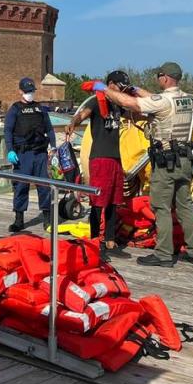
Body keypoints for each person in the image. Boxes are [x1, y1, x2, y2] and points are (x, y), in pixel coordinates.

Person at [103, 62, 193, 267]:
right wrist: (137, 90)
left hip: (166, 162)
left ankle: (163, 254)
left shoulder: (163, 101)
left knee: (161, 207)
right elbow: (156, 100)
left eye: (159, 76)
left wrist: (105, 90)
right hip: (185, 160)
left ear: (164, 78)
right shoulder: (186, 100)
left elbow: (133, 105)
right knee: (184, 206)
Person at [66, 70, 131, 259]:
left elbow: (136, 112)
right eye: (120, 86)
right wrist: (73, 123)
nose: (122, 89)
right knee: (98, 200)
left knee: (114, 200)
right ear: (110, 84)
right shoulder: (96, 101)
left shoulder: (119, 105)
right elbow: (81, 115)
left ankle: (110, 240)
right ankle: (95, 240)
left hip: (116, 158)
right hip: (100, 157)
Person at [4, 77, 56, 232]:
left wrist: (53, 146)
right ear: (20, 91)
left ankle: (47, 219)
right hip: (22, 154)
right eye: (27, 91)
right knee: (21, 186)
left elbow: (49, 129)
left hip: (40, 153)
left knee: (44, 186)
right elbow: (7, 130)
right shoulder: (15, 109)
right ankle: (19, 220)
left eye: (32, 91)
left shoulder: (40, 109)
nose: (29, 94)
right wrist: (10, 150)